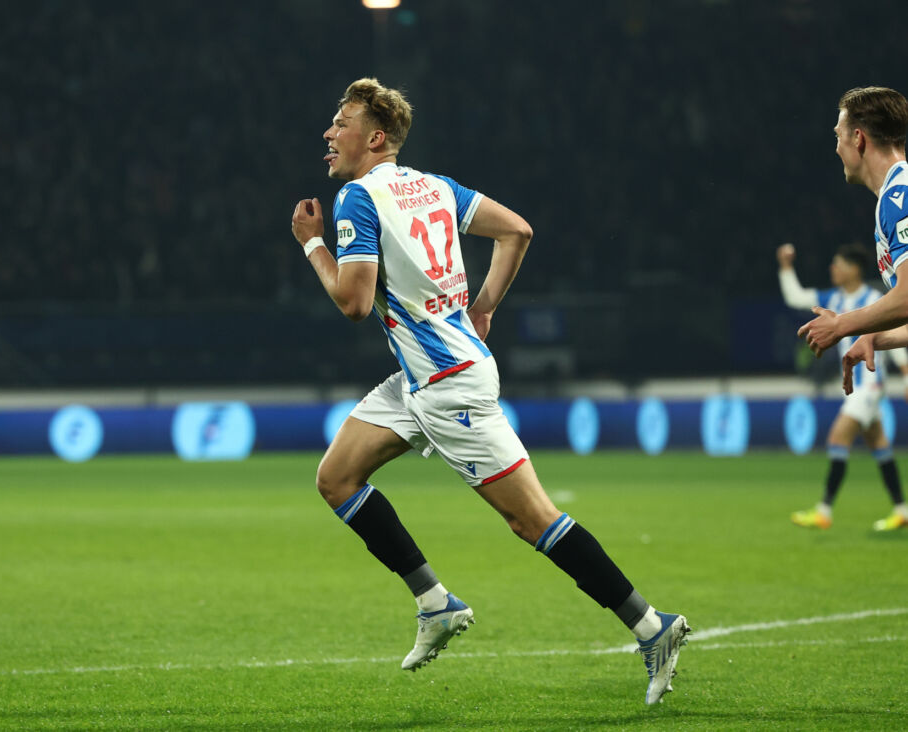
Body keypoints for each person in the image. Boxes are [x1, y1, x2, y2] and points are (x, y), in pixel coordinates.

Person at [290, 78, 689, 705]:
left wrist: (312, 244)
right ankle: (435, 603)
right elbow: (517, 232)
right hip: (423, 376)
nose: (328, 132)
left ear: (375, 137)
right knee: (336, 478)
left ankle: (651, 626)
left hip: (448, 385)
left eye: (341, 123)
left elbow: (354, 302)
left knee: (532, 519)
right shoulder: (435, 187)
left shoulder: (358, 199)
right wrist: (484, 309)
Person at [798, 86, 908, 531]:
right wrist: (875, 336)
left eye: (838, 135)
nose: (836, 146)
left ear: (858, 138)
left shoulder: (899, 196)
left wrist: (844, 325)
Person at [777, 242, 908, 530]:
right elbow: (795, 296)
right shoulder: (833, 299)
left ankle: (824, 510)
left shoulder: (874, 299)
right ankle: (902, 510)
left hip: (869, 386)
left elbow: (895, 328)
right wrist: (785, 267)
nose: (833, 268)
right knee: (880, 446)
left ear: (855, 269)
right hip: (856, 389)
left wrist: (906, 373)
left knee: (838, 439)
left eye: (839, 264)